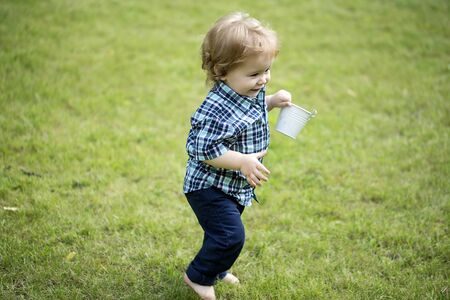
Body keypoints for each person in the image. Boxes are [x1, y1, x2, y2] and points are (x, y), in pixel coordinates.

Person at [183, 12, 292, 300]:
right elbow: (202, 149)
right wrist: (243, 161)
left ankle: (217, 269)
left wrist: (272, 101)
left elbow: (249, 115)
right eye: (255, 74)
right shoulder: (215, 108)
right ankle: (198, 276)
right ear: (222, 72)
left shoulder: (249, 89)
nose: (263, 80)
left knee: (222, 232)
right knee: (231, 235)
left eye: (266, 70)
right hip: (208, 186)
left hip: (233, 184)